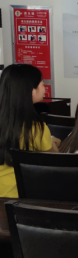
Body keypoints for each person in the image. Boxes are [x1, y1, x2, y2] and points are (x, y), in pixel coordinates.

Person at [0, 64, 59, 198]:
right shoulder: (35, 128)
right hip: (18, 200)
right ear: (32, 91)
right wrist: (52, 142)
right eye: (42, 84)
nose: (44, 88)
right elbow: (54, 158)